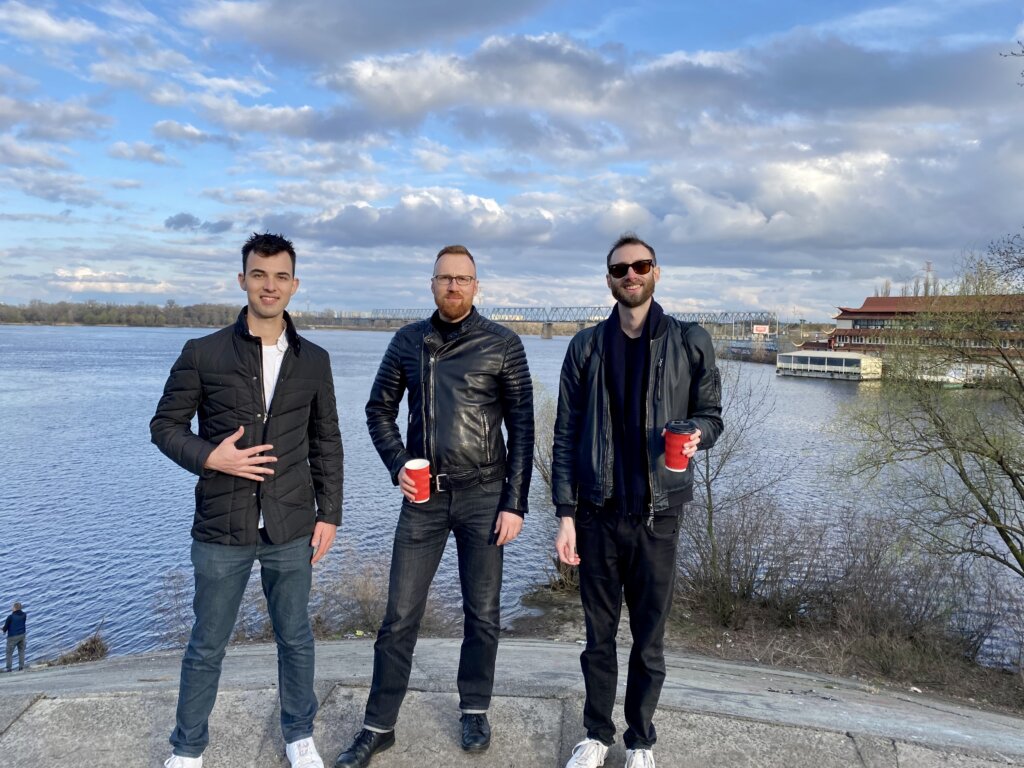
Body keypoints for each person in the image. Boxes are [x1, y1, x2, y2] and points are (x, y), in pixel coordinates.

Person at [334, 244, 534, 768]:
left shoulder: (503, 344)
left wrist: (515, 502)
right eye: (444, 278)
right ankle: (379, 726)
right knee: (399, 615)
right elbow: (378, 408)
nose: (453, 287)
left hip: (485, 494)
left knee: (483, 613)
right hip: (423, 498)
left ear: (476, 286)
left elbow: (524, 428)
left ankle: (474, 708)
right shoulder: (407, 342)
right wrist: (398, 462)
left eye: (463, 279)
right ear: (432, 284)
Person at [151, 232, 343, 768]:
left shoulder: (314, 359)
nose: (270, 285)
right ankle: (188, 749)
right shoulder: (203, 352)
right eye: (259, 274)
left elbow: (327, 440)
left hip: (291, 524)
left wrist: (331, 514)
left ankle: (299, 736)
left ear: (294, 285)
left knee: (296, 638)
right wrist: (214, 457)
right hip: (221, 527)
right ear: (242, 280)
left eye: (281, 276)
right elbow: (164, 427)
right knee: (207, 643)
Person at [552, 233, 724, 768]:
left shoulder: (690, 341)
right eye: (620, 268)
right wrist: (565, 514)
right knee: (597, 638)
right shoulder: (585, 346)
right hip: (597, 515)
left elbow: (713, 415)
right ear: (609, 279)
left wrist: (696, 432)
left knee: (649, 639)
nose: (631, 275)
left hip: (659, 516)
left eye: (640, 266)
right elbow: (564, 435)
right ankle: (596, 734)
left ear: (656, 273)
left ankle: (641, 740)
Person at [3, 601, 26, 672]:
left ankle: (9, 668)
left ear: (15, 608)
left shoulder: (10, 617)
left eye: (12, 607)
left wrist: (2, 630)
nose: (11, 608)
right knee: (21, 651)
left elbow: (5, 628)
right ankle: (21, 667)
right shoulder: (24, 614)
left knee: (9, 653)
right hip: (22, 635)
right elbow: (21, 623)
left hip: (13, 637)